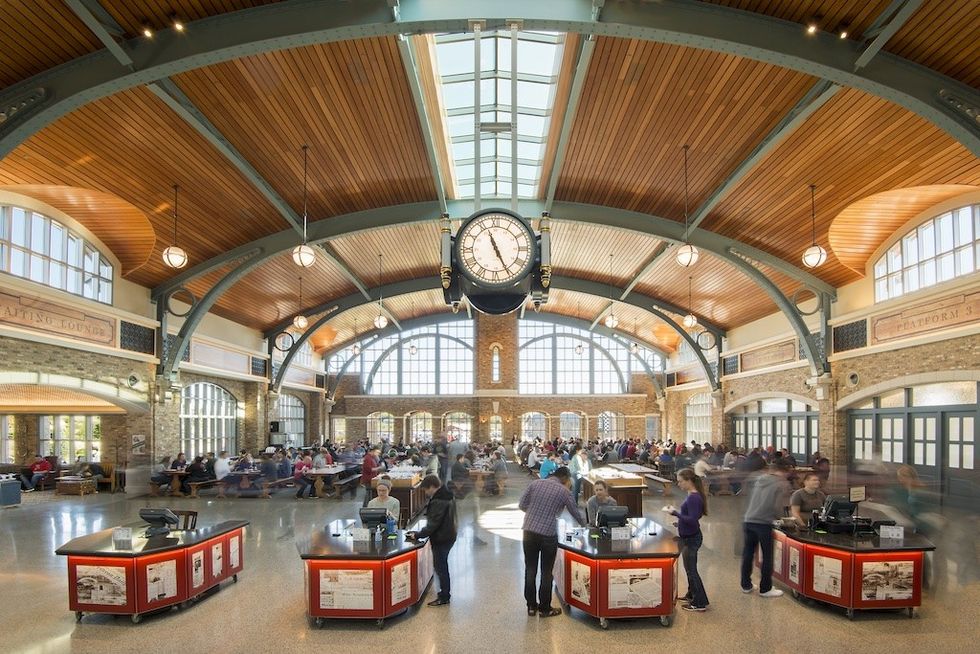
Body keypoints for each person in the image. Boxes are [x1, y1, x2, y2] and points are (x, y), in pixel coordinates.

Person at [519, 466, 586, 617]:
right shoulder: (564, 491)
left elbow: (522, 505)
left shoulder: (535, 483)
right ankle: (545, 609)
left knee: (530, 569)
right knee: (546, 572)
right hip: (548, 535)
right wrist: (586, 526)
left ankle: (531, 606)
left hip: (528, 531)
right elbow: (575, 512)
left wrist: (535, 513)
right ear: (566, 478)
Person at [740, 457, 792, 597]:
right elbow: (777, 507)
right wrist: (780, 518)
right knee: (767, 555)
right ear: (785, 471)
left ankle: (746, 585)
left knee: (748, 553)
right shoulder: (781, 484)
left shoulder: (760, 479)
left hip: (749, 519)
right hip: (764, 523)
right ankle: (765, 588)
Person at [406, 475, 457, 607]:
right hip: (449, 534)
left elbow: (433, 524)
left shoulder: (439, 500)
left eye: (426, 489)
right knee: (442, 566)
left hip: (442, 537)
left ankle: (444, 596)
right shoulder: (447, 495)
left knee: (441, 567)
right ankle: (444, 593)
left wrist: (417, 535)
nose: (426, 492)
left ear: (432, 487)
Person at [666, 468, 710, 612]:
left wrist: (675, 513)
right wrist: (680, 523)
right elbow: (692, 517)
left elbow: (692, 519)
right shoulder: (692, 495)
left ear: (689, 481)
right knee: (689, 569)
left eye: (680, 481)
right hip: (688, 536)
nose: (678, 484)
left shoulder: (693, 498)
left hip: (692, 539)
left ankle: (699, 602)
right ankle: (691, 594)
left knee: (692, 571)